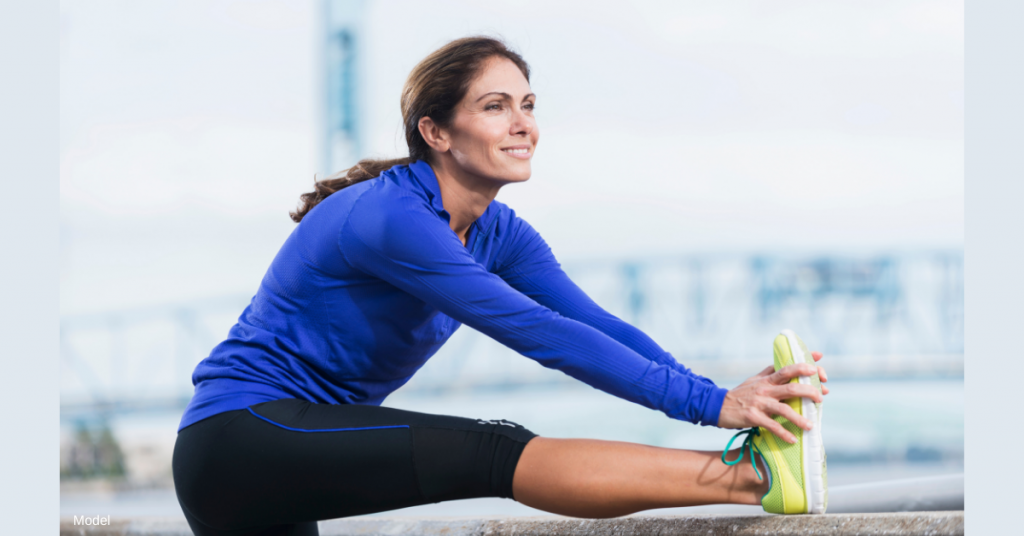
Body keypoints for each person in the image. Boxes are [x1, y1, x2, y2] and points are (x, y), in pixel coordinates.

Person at [172, 36, 830, 536]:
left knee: (495, 444)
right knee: (493, 448)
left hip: (292, 450)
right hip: (242, 441)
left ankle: (753, 466)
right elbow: (536, 332)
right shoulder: (391, 217)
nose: (523, 125)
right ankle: (757, 477)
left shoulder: (498, 233)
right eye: (495, 107)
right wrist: (712, 406)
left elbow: (595, 326)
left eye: (528, 105)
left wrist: (725, 395)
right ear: (436, 132)